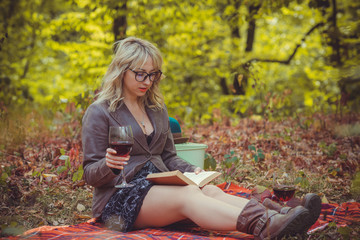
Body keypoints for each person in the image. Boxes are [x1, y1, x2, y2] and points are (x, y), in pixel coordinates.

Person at [82, 37, 321, 240]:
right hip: (120, 198)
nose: (148, 81)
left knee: (210, 190)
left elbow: (167, 156)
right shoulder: (100, 111)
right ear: (122, 71)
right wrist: (109, 166)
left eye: (153, 74)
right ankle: (266, 226)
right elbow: (90, 173)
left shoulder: (156, 108)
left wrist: (193, 171)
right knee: (189, 195)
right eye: (141, 74)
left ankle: (281, 216)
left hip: (158, 185)